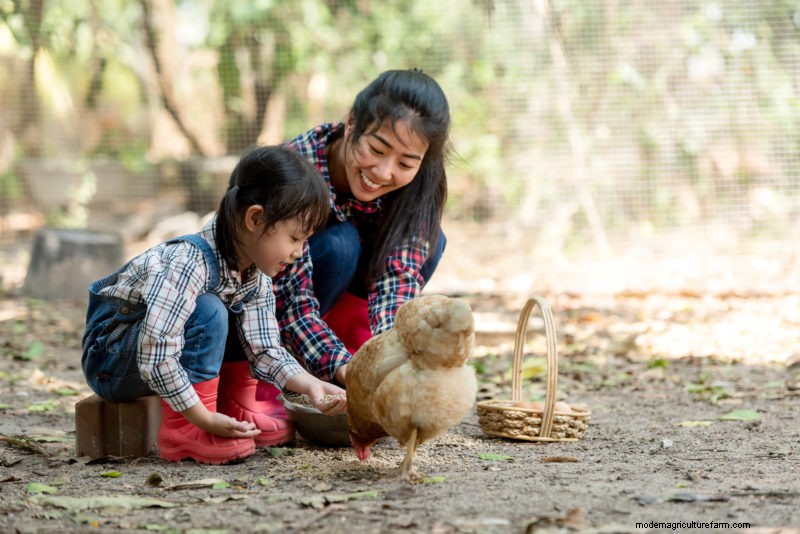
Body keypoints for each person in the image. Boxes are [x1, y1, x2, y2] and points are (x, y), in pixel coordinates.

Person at [81, 145, 346, 465]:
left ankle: (234, 408)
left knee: (231, 310)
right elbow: (156, 353)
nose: (300, 252)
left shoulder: (255, 274)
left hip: (151, 358)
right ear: (255, 218)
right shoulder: (189, 262)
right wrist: (201, 419)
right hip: (111, 362)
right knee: (209, 309)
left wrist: (313, 386)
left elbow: (264, 350)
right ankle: (182, 430)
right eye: (295, 238)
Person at [260, 68, 451, 393]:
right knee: (341, 244)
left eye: (405, 164)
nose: (383, 172)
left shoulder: (419, 186)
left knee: (433, 240)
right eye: (376, 149)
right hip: (276, 312)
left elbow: (397, 280)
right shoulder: (293, 173)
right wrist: (339, 365)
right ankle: (293, 374)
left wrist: (391, 358)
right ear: (351, 124)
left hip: (334, 326)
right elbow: (289, 299)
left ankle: (358, 359)